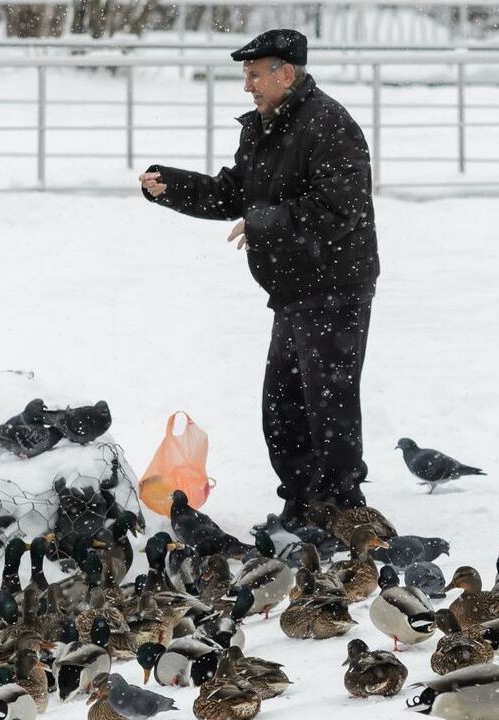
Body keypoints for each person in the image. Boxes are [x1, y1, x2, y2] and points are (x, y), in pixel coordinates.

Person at [139, 29, 380, 527]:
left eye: (254, 74)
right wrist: (171, 186)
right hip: (292, 289)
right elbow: (234, 194)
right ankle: (300, 502)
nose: (246, 85)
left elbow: (340, 208)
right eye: (245, 75)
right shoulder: (265, 127)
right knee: (283, 409)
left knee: (327, 409)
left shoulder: (328, 125)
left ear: (285, 73)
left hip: (334, 287)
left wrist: (266, 221)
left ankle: (339, 510)